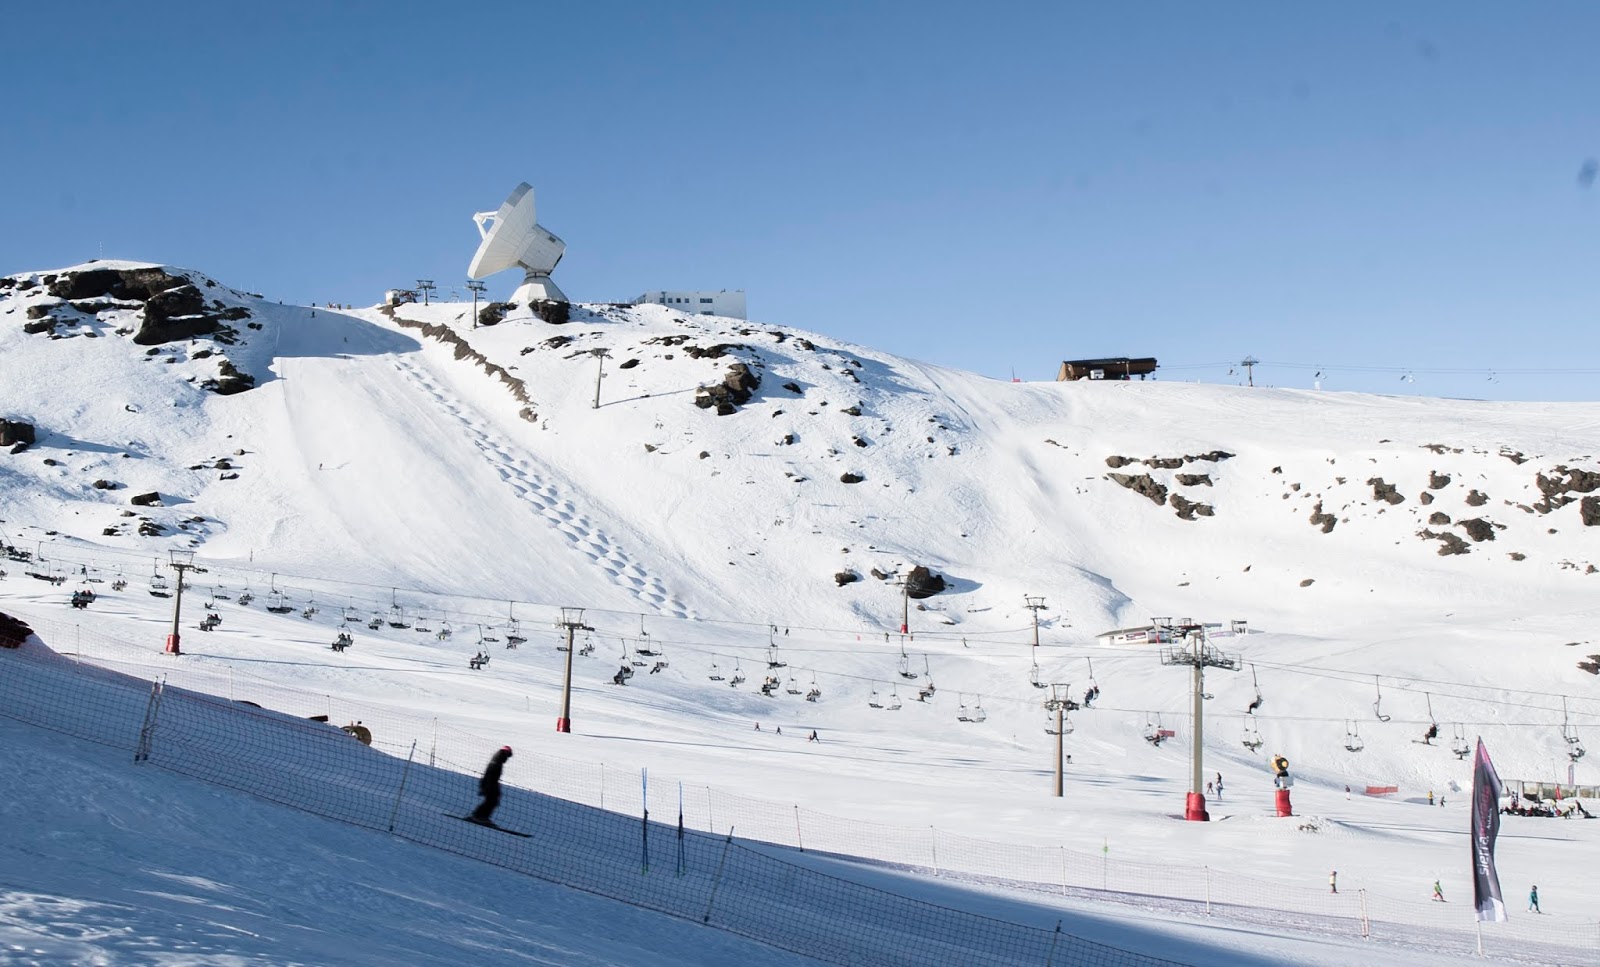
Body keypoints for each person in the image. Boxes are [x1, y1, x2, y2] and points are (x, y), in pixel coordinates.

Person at [469, 746, 512, 824]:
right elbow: (490, 774)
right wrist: (489, 786)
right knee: (491, 801)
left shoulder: (497, 760)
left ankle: (479, 815)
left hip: (490, 783)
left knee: (491, 801)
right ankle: (480, 816)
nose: (507, 758)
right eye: (508, 755)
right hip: (490, 784)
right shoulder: (497, 761)